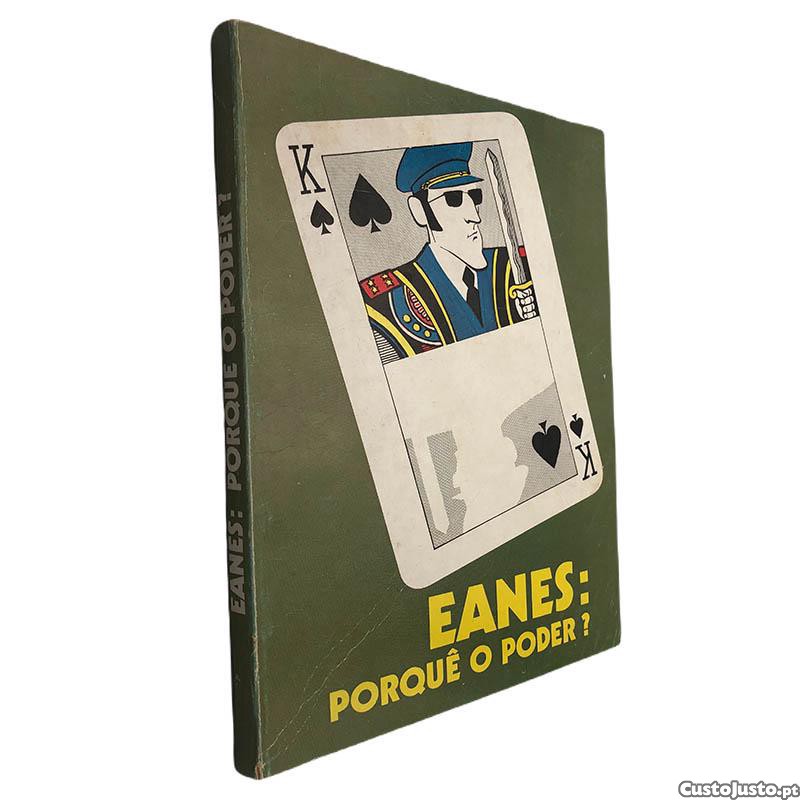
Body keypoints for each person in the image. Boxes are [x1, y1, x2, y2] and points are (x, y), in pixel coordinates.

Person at [360, 142, 536, 362]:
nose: (475, 216)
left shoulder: (515, 267)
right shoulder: (385, 302)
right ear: (419, 211)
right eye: (454, 200)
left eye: (474, 196)